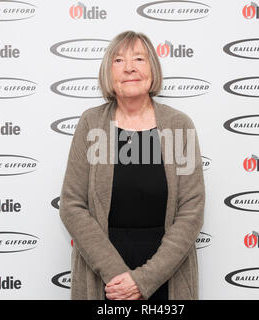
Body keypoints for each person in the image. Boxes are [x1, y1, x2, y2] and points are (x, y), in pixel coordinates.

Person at [59, 31, 205, 300]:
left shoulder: (179, 126)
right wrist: (117, 276)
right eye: (118, 60)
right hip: (105, 278)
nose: (129, 67)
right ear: (109, 73)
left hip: (166, 273)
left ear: (153, 70)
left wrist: (143, 280)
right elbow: (72, 205)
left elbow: (191, 210)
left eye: (139, 58)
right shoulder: (91, 124)